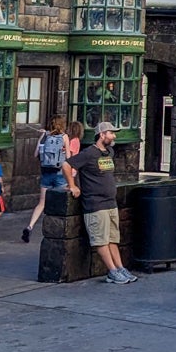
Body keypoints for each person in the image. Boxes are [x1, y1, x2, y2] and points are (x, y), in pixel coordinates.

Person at [64, 121, 136, 284]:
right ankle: (111, 271)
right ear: (102, 135)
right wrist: (72, 185)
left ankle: (120, 268)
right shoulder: (89, 153)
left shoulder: (109, 152)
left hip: (110, 203)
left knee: (112, 238)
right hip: (95, 204)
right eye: (111, 133)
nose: (114, 136)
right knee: (100, 239)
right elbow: (67, 165)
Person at [23, 115, 70, 243]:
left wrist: (41, 137)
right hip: (60, 173)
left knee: (42, 203)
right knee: (60, 202)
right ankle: (58, 229)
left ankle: (30, 226)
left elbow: (35, 154)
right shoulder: (64, 137)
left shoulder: (45, 136)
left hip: (46, 173)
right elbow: (69, 158)